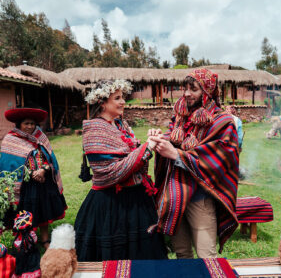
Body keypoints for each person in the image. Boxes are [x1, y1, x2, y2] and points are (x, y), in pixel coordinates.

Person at [149, 69, 239, 258]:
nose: (187, 93)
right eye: (185, 88)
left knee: (207, 256)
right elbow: (172, 136)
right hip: (175, 197)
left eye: (194, 89)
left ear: (207, 92)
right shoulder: (181, 116)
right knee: (182, 254)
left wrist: (175, 154)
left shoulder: (223, 122)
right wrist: (160, 138)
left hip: (200, 199)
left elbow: (220, 159)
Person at [74, 79, 167, 261]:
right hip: (110, 205)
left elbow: (133, 159)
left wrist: (147, 145)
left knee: (141, 255)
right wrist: (146, 148)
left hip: (135, 201)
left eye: (123, 97)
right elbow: (111, 170)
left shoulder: (120, 126)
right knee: (115, 254)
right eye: (117, 98)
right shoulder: (94, 130)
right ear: (102, 103)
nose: (123, 101)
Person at [0, 107, 67, 249]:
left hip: (44, 181)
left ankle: (44, 239)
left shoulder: (40, 137)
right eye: (26, 123)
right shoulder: (11, 140)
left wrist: (43, 170)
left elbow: (50, 159)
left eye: (32, 123)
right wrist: (31, 174)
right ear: (19, 124)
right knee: (27, 211)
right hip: (25, 185)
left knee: (44, 209)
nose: (30, 127)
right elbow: (10, 165)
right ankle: (26, 239)